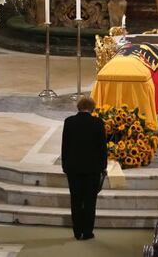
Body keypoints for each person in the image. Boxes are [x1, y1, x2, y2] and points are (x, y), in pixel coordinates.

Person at [61, 97, 107, 240]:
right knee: (89, 201)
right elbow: (102, 148)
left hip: (73, 168)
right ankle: (87, 232)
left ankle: (77, 231)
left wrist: (65, 165)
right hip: (92, 169)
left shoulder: (69, 122)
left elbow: (65, 146)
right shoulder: (98, 123)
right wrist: (103, 167)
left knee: (75, 200)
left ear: (78, 107)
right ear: (92, 108)